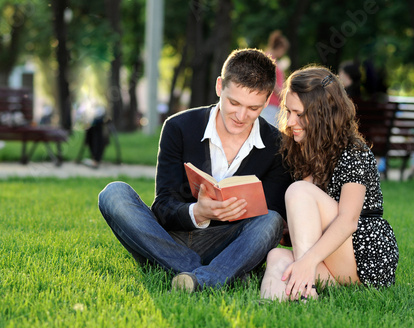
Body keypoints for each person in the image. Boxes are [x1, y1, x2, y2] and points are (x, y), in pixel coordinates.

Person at [98, 48, 293, 292]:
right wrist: (198, 213)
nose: (241, 116)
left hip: (230, 243)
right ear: (220, 87)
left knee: (271, 220)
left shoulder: (278, 145)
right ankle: (218, 272)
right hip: (170, 238)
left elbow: (269, 218)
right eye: (234, 103)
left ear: (266, 102)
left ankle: (196, 275)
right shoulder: (179, 127)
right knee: (113, 194)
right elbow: (163, 205)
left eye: (253, 108)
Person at [260, 66, 399, 301]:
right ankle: (271, 309)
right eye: (288, 111)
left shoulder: (354, 152)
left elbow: (348, 221)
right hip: (328, 256)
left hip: (364, 255)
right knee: (276, 258)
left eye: (299, 114)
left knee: (299, 190)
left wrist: (307, 261)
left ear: (323, 114)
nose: (290, 121)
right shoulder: (300, 150)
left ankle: (305, 291)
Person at [260, 30, 290, 128]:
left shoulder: (274, 60)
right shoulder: (268, 59)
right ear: (280, 48)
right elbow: (271, 82)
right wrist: (283, 95)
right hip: (270, 103)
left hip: (274, 104)